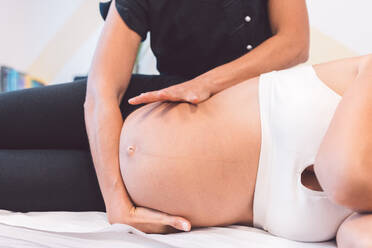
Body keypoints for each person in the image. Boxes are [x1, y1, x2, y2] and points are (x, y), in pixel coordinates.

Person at [0, 0, 309, 234]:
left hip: (212, 128)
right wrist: (116, 205)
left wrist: (207, 83)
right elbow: (101, 92)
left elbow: (295, 42)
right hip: (158, 103)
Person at [117, 54, 372, 247]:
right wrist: (113, 198)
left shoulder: (359, 210)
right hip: (122, 115)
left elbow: (357, 238)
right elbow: (341, 180)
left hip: (140, 214)